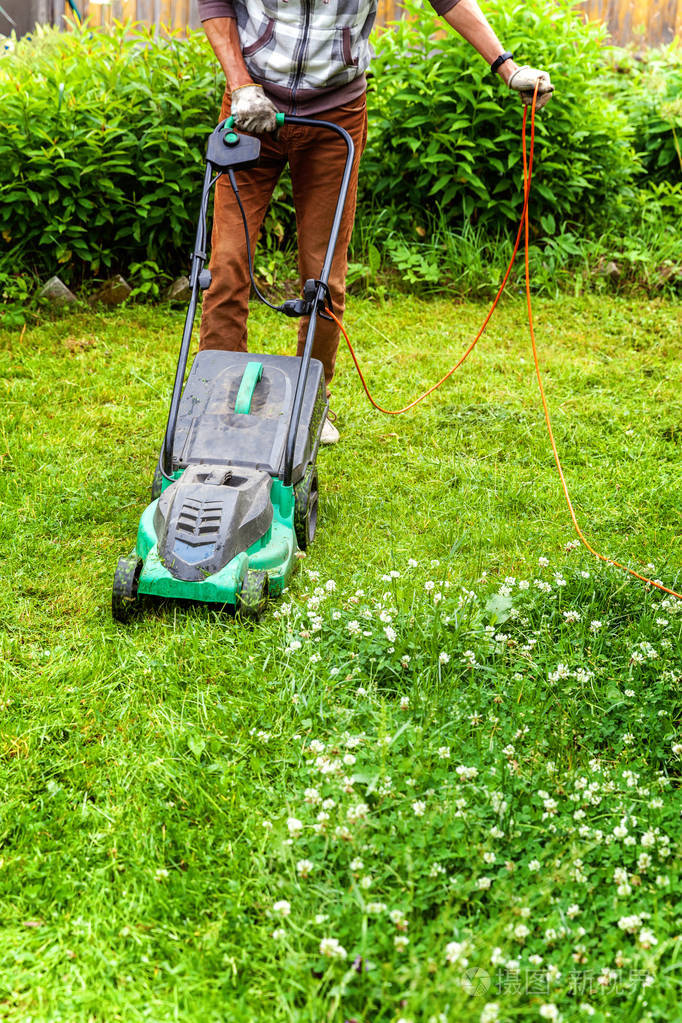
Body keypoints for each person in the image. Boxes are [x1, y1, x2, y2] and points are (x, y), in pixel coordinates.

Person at [197, 0, 554, 444]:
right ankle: (214, 396)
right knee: (227, 261)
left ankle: (310, 403)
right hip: (251, 106)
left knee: (324, 272)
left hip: (334, 116)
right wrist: (239, 84)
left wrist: (507, 67)